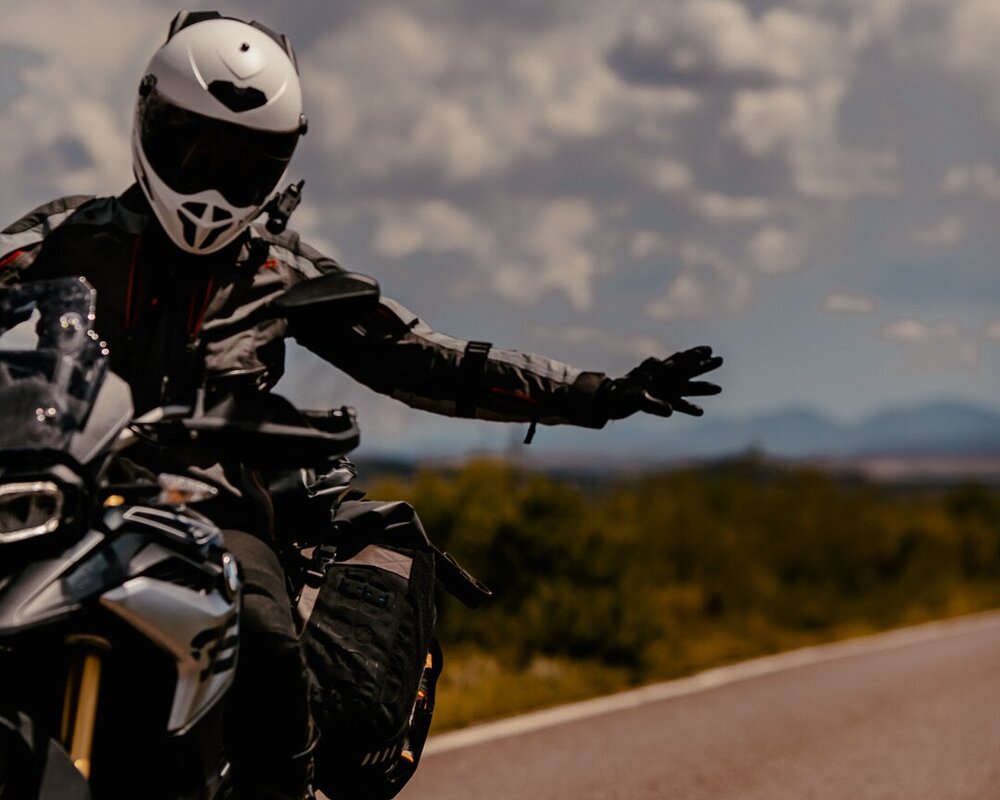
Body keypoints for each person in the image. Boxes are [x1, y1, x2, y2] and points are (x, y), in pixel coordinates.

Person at [0, 11, 722, 800]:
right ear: (150, 122)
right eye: (195, 148)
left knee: (268, 635)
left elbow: (425, 358)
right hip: (59, 491)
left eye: (243, 165)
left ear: (279, 166)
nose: (210, 184)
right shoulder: (53, 238)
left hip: (207, 509)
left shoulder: (282, 270)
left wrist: (596, 393)